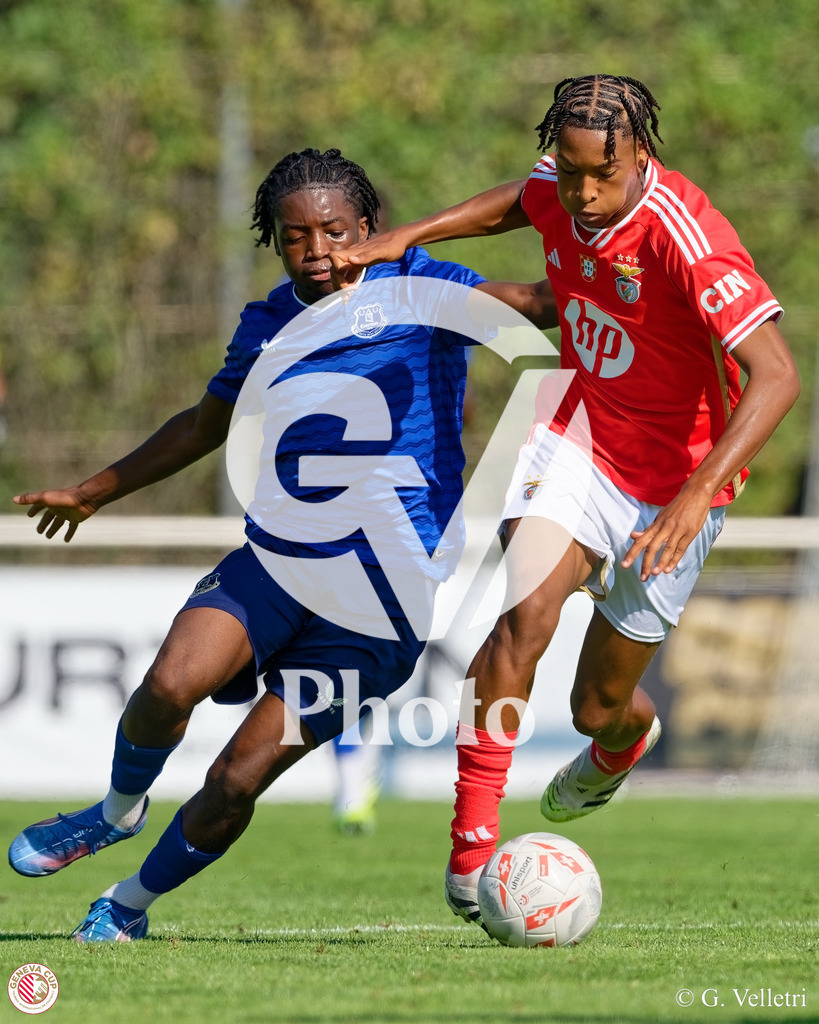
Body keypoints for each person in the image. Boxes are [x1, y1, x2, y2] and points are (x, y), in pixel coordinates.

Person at [7, 148, 559, 941]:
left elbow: (532, 302)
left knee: (239, 774)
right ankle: (114, 812)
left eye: (336, 231)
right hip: (276, 563)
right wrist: (97, 488)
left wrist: (610, 259)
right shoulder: (266, 321)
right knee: (169, 684)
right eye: (296, 236)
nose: (319, 250)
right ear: (274, 242)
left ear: (368, 228)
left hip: (380, 601)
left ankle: (127, 904)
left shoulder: (426, 290)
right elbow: (206, 428)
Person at [333, 75, 801, 928]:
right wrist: (412, 233)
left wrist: (694, 500)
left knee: (599, 705)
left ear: (639, 157)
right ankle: (472, 850)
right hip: (577, 432)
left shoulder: (686, 236)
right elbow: (515, 200)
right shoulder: (559, 185)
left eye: (601, 178)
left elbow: (776, 376)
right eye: (570, 172)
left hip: (675, 483)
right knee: (525, 611)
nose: (581, 195)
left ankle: (618, 745)